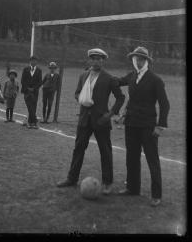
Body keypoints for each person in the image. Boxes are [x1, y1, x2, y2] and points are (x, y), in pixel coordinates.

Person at [57, 48, 125, 195]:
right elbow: (77, 92)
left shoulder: (109, 78)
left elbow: (121, 97)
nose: (96, 61)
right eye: (93, 58)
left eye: (99, 59)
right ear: (89, 60)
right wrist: (80, 98)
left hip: (101, 120)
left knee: (105, 152)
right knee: (78, 149)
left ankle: (107, 183)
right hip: (84, 119)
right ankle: (72, 178)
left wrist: (110, 114)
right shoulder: (83, 75)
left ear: (103, 60)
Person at [117, 46, 170, 207]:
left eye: (141, 59)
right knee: (131, 158)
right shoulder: (132, 76)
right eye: (136, 58)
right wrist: (98, 74)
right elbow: (117, 81)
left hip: (148, 126)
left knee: (152, 160)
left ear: (146, 61)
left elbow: (165, 104)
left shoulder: (155, 80)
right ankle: (132, 188)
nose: (138, 61)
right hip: (131, 124)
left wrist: (160, 126)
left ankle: (156, 194)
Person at [21, 56, 43, 129]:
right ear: (30, 61)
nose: (34, 62)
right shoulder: (25, 69)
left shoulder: (39, 70)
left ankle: (31, 122)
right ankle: (34, 122)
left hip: (35, 92)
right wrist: (28, 88)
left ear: (36, 62)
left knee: (33, 106)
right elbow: (23, 80)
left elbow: (40, 82)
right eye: (32, 60)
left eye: (35, 61)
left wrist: (34, 88)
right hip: (26, 91)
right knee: (29, 106)